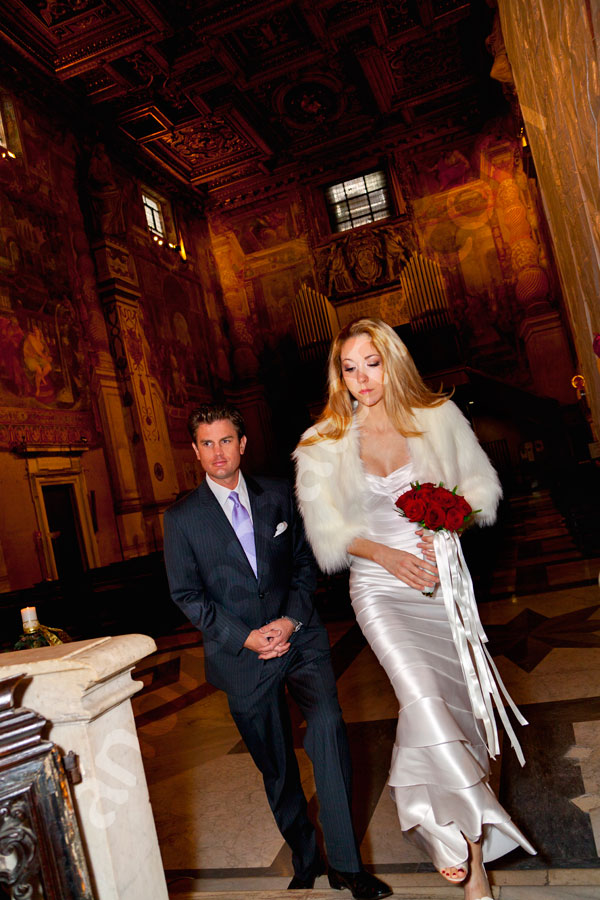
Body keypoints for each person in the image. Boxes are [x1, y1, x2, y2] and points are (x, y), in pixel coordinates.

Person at [293, 319, 535, 900]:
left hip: (440, 586)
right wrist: (385, 554)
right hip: (378, 587)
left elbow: (482, 491)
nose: (361, 378)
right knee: (423, 698)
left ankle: (472, 861)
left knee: (458, 714)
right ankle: (444, 835)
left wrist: (448, 522)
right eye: (349, 368)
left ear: (391, 361)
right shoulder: (321, 441)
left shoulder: (437, 419)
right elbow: (327, 532)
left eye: (370, 363)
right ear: (339, 375)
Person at [163, 403, 391, 900]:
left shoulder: (280, 495)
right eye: (207, 443)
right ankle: (306, 855)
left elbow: (307, 564)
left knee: (328, 730)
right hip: (241, 657)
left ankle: (348, 868)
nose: (217, 451)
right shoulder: (181, 519)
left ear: (242, 444)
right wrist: (244, 636)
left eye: (226, 440)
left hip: (301, 638)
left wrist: (289, 620)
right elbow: (187, 595)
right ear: (196, 451)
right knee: (277, 768)